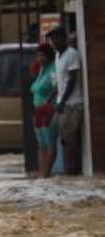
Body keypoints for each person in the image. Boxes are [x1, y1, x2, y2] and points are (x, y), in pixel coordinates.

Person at [49, 27, 83, 175]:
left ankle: (72, 171)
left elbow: (72, 80)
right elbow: (61, 81)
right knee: (61, 138)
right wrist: (55, 96)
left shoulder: (72, 54)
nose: (53, 42)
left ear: (64, 38)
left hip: (73, 104)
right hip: (61, 103)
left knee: (70, 139)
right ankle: (67, 170)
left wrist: (62, 101)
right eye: (52, 39)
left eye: (56, 38)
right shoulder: (58, 55)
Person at [30, 44, 58, 178]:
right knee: (41, 145)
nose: (39, 58)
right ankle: (42, 174)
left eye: (42, 55)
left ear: (48, 55)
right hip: (38, 111)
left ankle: (47, 173)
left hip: (49, 111)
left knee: (50, 143)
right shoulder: (41, 70)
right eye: (37, 55)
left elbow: (57, 87)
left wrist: (49, 104)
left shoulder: (53, 69)